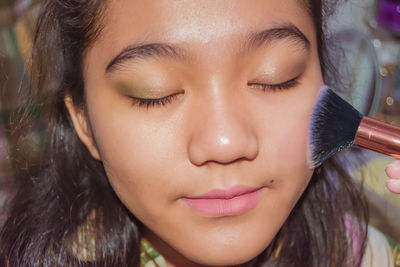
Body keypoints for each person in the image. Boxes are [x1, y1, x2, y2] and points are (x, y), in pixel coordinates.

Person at [0, 0, 399, 266]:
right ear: (84, 122)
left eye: (275, 77)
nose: (225, 143)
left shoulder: (363, 252)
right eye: (155, 93)